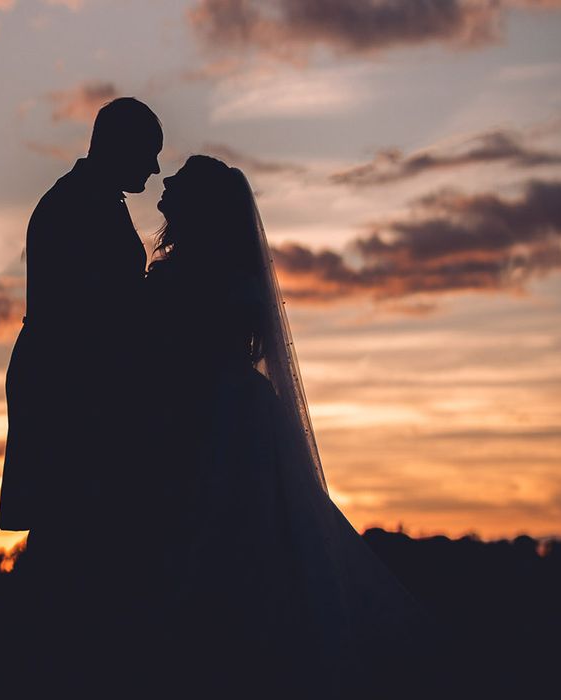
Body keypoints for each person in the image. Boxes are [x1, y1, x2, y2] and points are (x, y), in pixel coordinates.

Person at [145, 156, 433, 699]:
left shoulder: (192, 277)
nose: (167, 181)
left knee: (224, 543)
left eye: (181, 178)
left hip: (210, 422)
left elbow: (177, 356)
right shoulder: (225, 274)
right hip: (233, 415)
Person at [0, 98, 163, 692]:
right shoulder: (75, 207)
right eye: (149, 155)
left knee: (78, 537)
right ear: (119, 145)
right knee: (71, 534)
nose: (154, 172)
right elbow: (93, 318)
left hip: (77, 387)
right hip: (71, 395)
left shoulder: (91, 200)